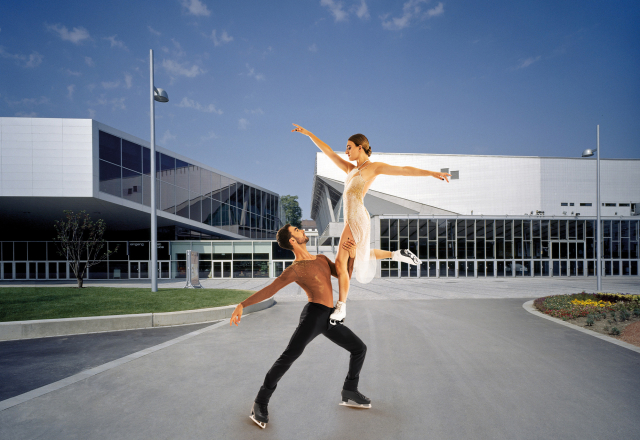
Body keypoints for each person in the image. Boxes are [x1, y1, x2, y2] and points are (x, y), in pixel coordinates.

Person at [292, 124, 451, 324]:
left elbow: (403, 170)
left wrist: (432, 173)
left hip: (357, 217)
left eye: (349, 147)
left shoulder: (373, 168)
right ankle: (396, 254)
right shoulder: (350, 169)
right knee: (359, 256)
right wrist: (309, 134)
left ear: (361, 147)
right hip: (352, 218)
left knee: (342, 263)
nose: (346, 151)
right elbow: (329, 153)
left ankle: (341, 308)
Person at [230, 224, 370, 429]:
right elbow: (271, 289)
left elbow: (343, 275)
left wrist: (352, 255)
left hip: (330, 317)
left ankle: (350, 389)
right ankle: (260, 402)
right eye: (297, 230)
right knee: (289, 356)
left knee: (359, 348)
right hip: (313, 316)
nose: (302, 230)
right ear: (292, 241)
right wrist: (243, 304)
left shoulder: (321, 259)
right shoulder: (295, 269)